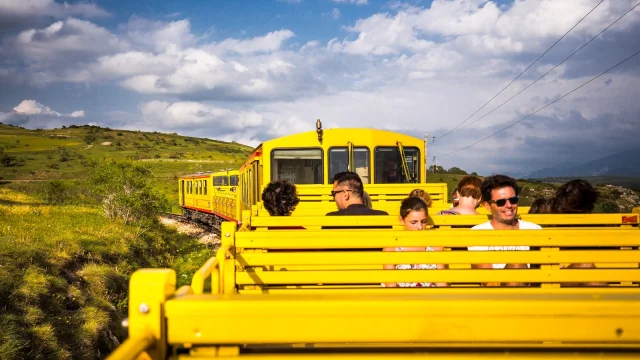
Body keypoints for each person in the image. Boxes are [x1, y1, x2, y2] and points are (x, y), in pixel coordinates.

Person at [468, 175, 541, 286]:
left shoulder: (535, 230)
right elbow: (488, 280)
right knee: (516, 265)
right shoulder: (478, 233)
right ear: (487, 205)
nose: (509, 206)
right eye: (501, 202)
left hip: (534, 295)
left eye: (513, 200)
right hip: (497, 297)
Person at [382, 197, 446, 288]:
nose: (419, 227)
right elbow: (390, 286)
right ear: (401, 220)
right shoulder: (391, 249)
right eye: (413, 222)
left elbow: (441, 284)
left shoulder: (435, 247)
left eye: (423, 221)